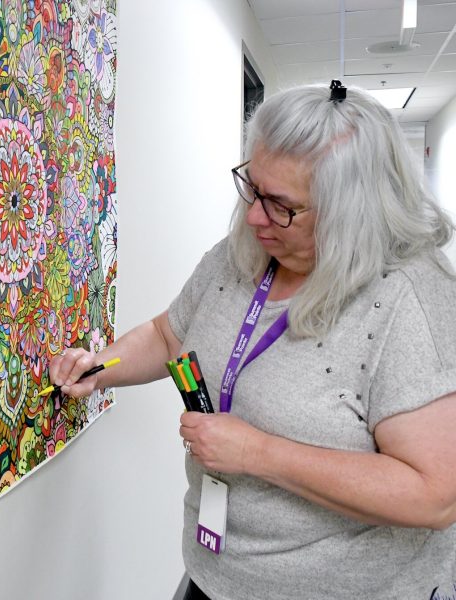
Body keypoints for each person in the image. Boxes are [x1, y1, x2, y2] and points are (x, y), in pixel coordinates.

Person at [48, 82, 456, 600]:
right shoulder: (239, 253)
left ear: (352, 211)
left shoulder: (413, 298)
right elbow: (167, 333)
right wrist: (101, 366)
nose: (254, 216)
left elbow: (434, 496)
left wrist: (259, 453)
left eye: (282, 205)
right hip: (216, 575)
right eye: (252, 189)